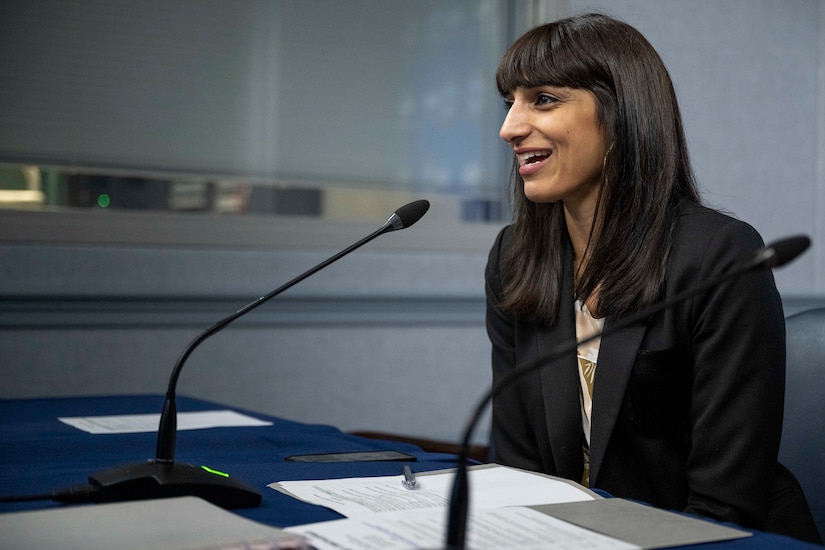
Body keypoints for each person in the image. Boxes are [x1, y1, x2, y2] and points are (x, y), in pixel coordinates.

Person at [485, 13, 820, 542]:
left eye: (543, 100)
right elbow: (519, 470)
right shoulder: (514, 256)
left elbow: (723, 504)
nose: (509, 127)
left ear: (619, 116)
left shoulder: (718, 256)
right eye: (511, 103)